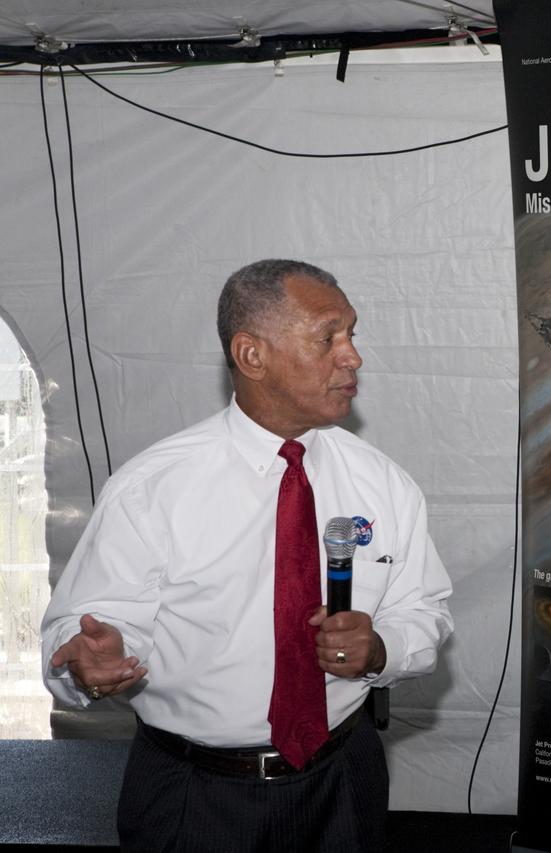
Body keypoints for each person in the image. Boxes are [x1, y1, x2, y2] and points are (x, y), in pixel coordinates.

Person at [41, 259, 453, 852]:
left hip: (343, 778)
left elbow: (424, 612)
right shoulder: (153, 488)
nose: (353, 357)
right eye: (328, 338)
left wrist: (381, 647)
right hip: (194, 795)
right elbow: (78, 636)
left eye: (351, 334)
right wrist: (87, 663)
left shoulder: (382, 483)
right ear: (252, 355)